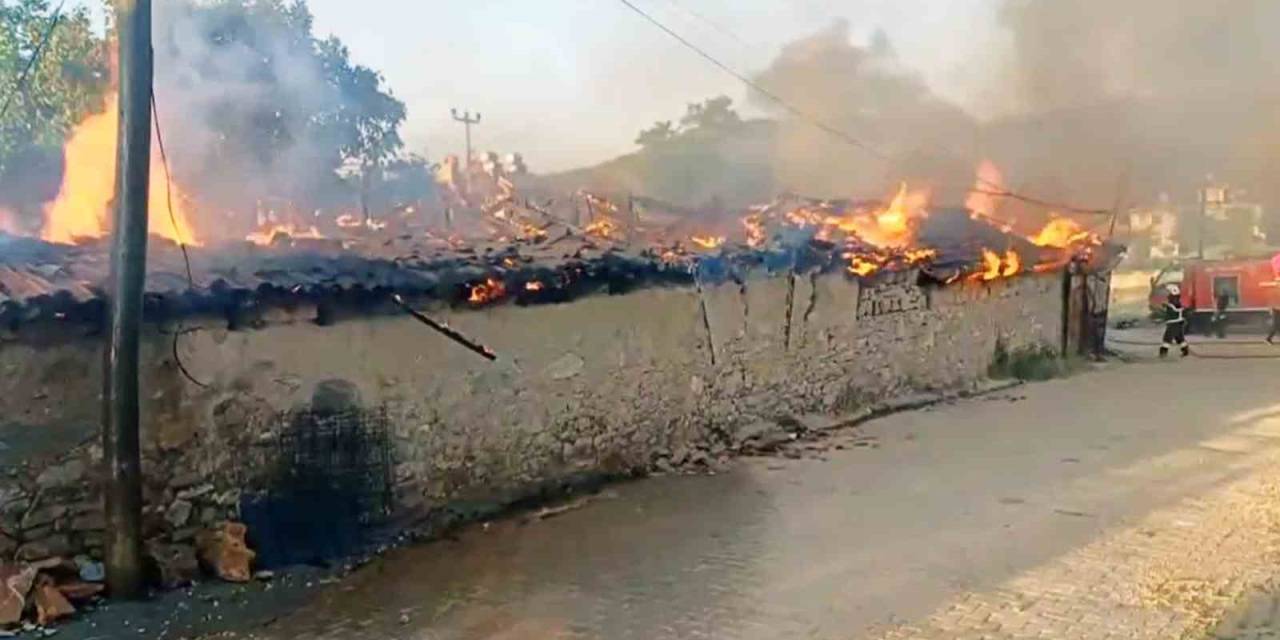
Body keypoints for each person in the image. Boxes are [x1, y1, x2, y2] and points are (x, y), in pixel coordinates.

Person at [1161, 285, 1189, 358]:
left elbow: (1174, 309)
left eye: (1168, 293)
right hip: (1178, 323)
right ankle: (1185, 351)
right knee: (1179, 338)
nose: (1167, 295)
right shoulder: (1175, 301)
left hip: (1173, 324)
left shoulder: (1173, 302)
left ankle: (1163, 353)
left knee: (1167, 338)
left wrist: (1165, 307)